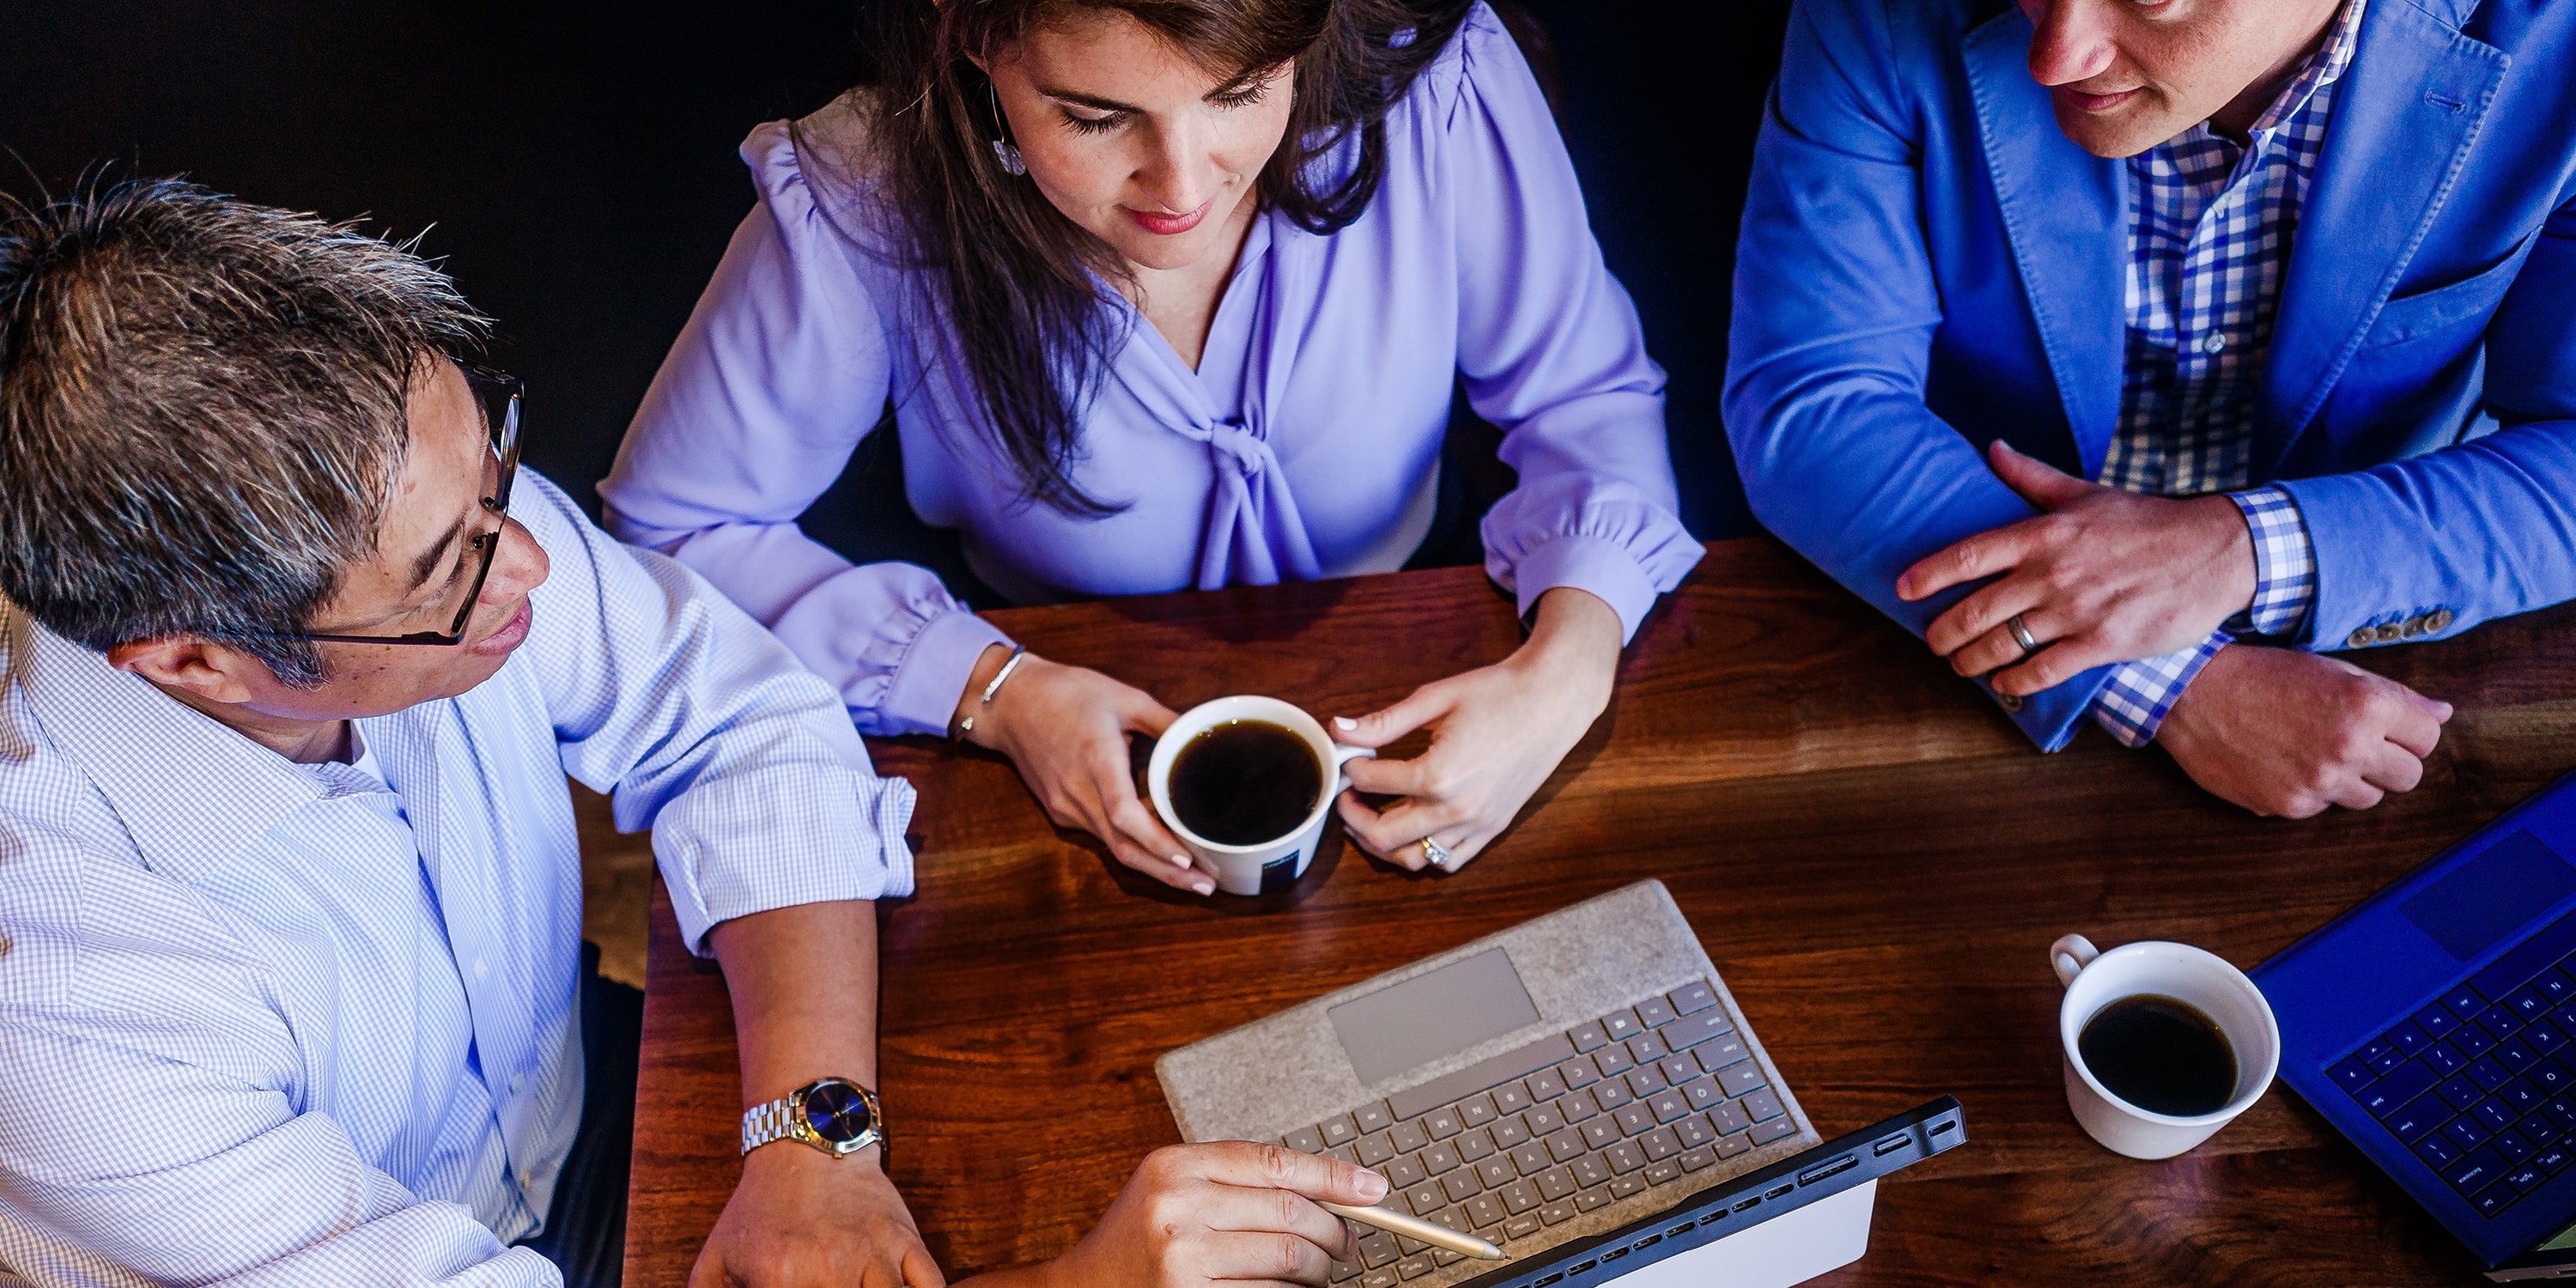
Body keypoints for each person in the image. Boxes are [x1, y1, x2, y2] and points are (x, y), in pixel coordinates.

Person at [0, 180, 1394, 1288]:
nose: (532, 568)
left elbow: (743, 726)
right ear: (195, 662)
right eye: (453, 573)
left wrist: (813, 1136)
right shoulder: (68, 1013)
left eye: (500, 481)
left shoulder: (409, 515)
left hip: (588, 1112)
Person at [599, 0, 1704, 891]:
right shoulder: (867, 196)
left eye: (1240, 93)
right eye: (1092, 116)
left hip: (1442, 672)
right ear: (973, 34)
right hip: (1065, 742)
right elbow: (674, 527)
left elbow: (1582, 399)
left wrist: (1566, 671)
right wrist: (993, 689)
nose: (1184, 186)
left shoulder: (1438, 81)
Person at [1725, 0, 2576, 818]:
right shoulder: (1873, 13)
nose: (2055, 60)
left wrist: (2242, 552)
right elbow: (1817, 403)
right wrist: (2174, 681)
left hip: (2396, 624)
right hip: (1941, 615)